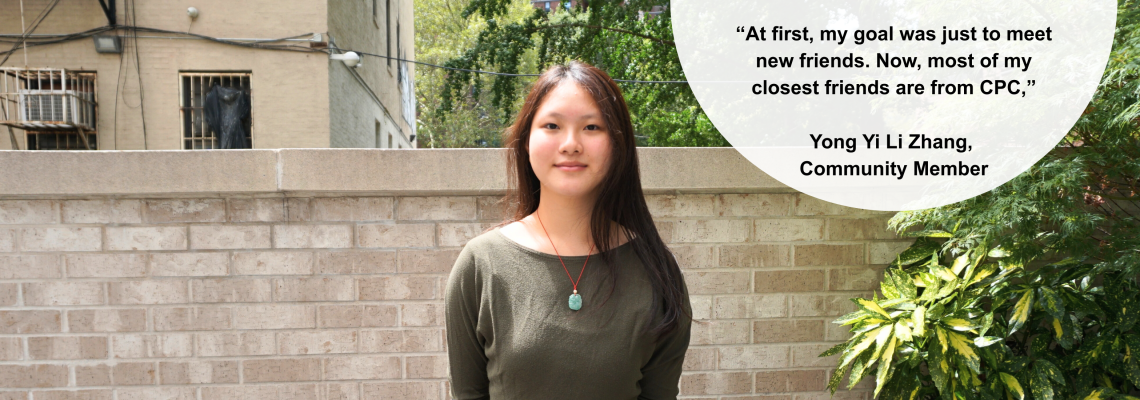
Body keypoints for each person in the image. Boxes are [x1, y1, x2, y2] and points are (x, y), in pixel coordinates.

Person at [445, 60, 693, 400]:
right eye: (552, 125)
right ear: (526, 140)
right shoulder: (480, 265)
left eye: (592, 127)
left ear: (618, 144)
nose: (571, 144)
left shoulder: (656, 270)